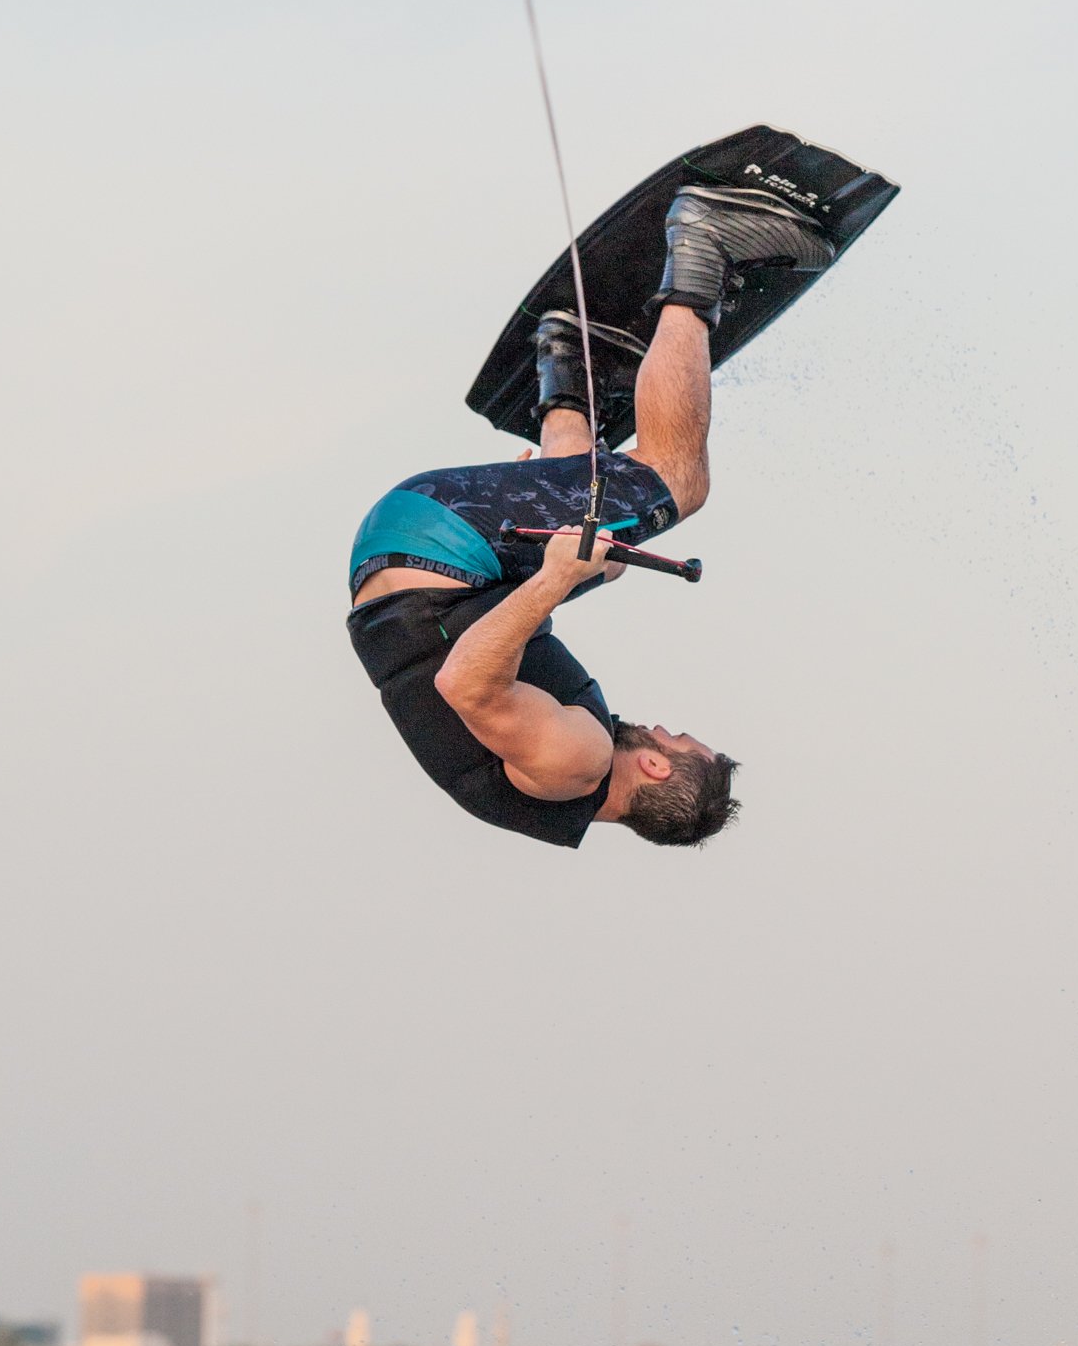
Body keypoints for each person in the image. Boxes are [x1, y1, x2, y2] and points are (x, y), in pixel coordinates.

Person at [347, 184, 834, 848]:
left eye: (672, 737)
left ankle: (705, 247)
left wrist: (549, 581)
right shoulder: (556, 787)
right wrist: (568, 574)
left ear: (658, 768)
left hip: (443, 539)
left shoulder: (573, 765)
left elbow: (462, 682)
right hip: (409, 554)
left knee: (675, 480)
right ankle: (565, 365)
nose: (662, 727)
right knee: (602, 555)